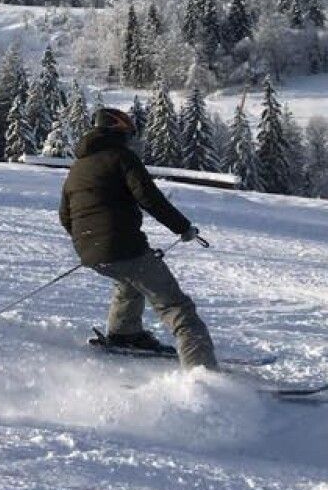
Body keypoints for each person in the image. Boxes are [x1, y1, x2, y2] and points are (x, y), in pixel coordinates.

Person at [58, 107, 217, 370]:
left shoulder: (78, 167)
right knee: (177, 308)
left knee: (128, 281)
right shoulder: (122, 158)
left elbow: (65, 215)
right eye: (130, 134)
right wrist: (183, 228)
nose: (132, 140)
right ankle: (203, 374)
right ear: (119, 131)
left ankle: (124, 334)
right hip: (122, 248)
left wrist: (92, 244)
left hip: (91, 251)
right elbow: (149, 198)